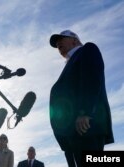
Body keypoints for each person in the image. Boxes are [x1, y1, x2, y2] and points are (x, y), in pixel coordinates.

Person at [49, 30, 114, 166]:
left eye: (61, 39)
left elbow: (92, 78)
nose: (58, 43)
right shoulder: (69, 64)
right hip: (71, 135)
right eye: (56, 43)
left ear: (75, 40)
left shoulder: (87, 50)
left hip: (85, 126)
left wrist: (85, 112)